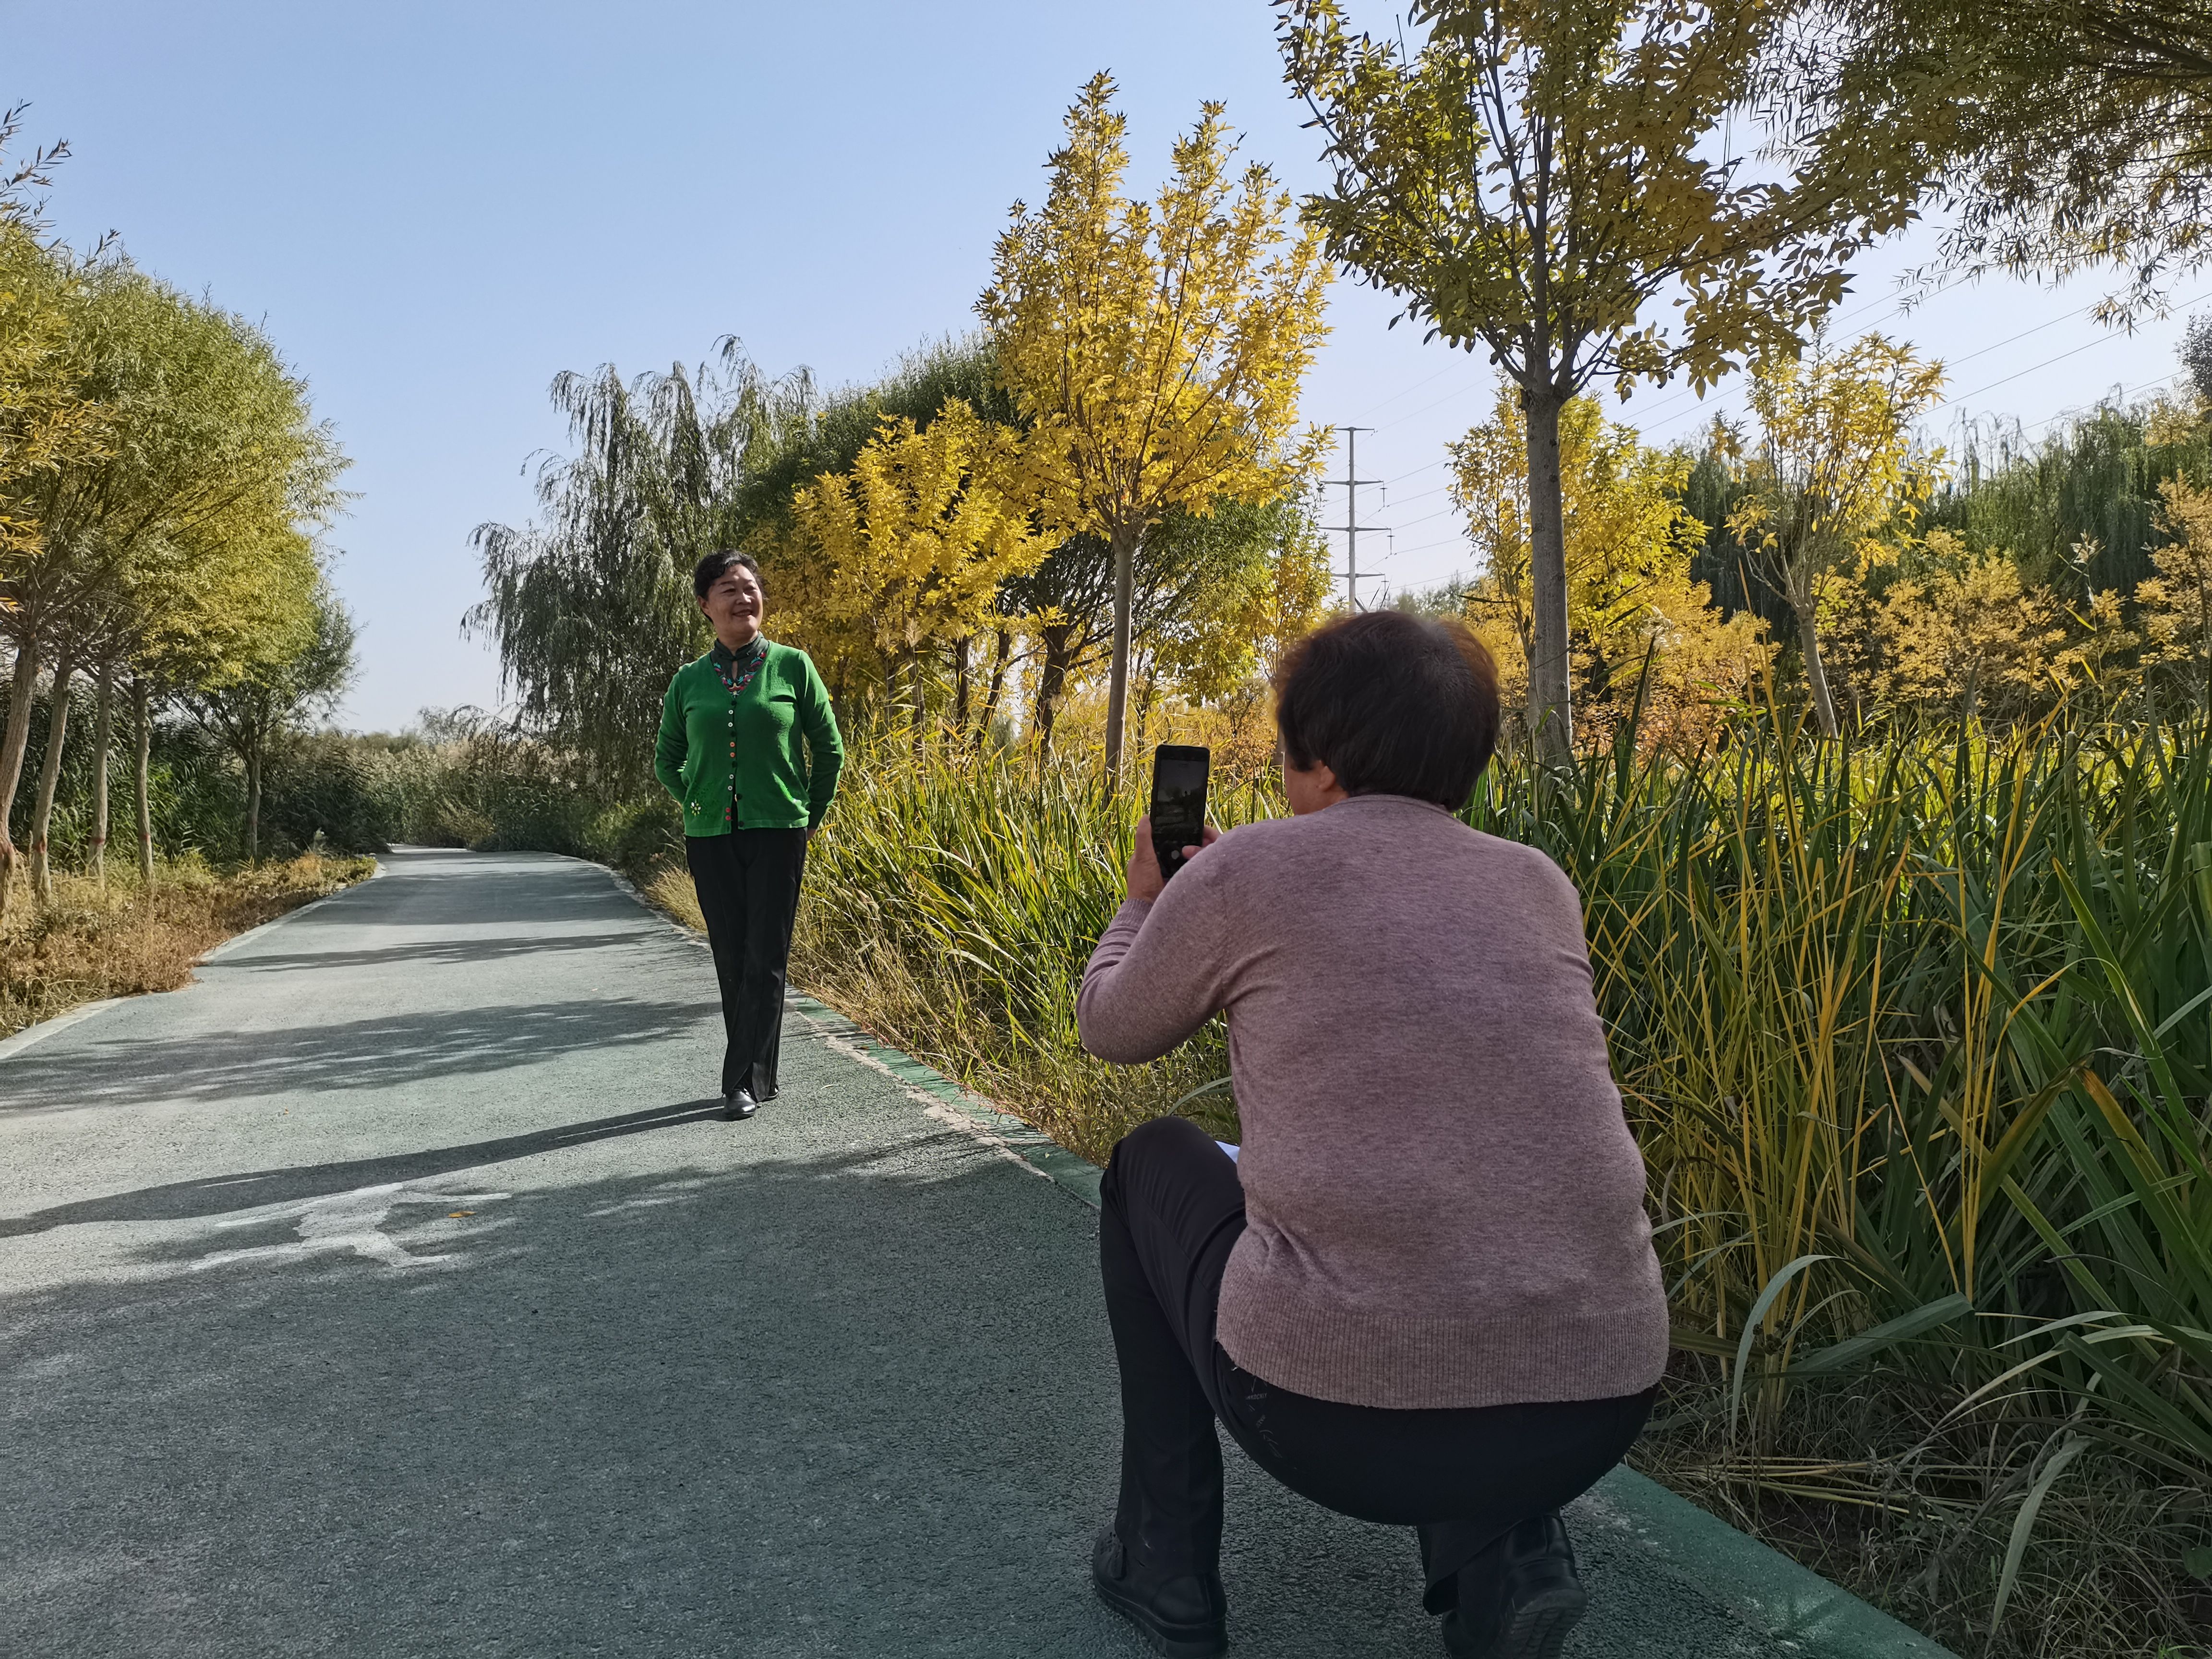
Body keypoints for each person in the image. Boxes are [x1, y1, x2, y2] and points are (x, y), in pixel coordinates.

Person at [1076, 611, 1669, 1659]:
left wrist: (1143, 902)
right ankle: (1511, 1560)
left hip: (1338, 1421)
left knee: (1148, 1166)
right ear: (1470, 760)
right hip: (1598, 1408)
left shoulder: (1245, 868)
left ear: (1317, 759)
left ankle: (1164, 1565)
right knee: (1483, 1177)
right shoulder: (1538, 881)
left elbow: (1111, 1027)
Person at [655, 551, 843, 1121]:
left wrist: (810, 812)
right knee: (732, 955)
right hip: (709, 835)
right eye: (729, 590)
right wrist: (694, 798)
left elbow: (829, 749)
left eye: (751, 587)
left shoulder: (793, 666)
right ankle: (763, 1072)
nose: (744, 598)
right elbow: (668, 758)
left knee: (767, 954)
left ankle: (739, 1080)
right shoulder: (689, 681)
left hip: (780, 831)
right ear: (705, 606)